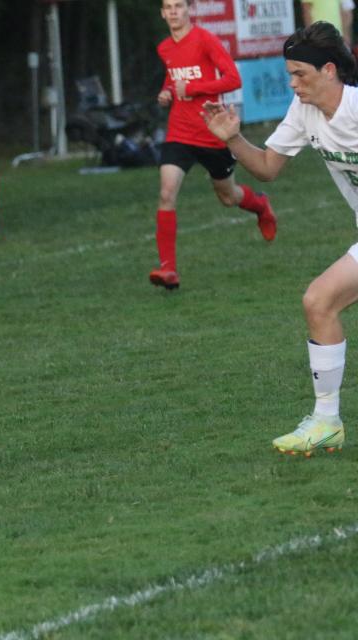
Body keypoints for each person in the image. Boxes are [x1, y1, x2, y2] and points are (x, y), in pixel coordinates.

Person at [203, 22, 355, 456]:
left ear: (329, 70)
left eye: (299, 74)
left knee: (319, 299)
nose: (292, 84)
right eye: (288, 74)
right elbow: (268, 167)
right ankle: (327, 422)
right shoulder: (304, 110)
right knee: (319, 302)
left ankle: (327, 420)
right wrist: (232, 137)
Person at [149, 0, 277, 290]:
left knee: (228, 197)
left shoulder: (205, 40)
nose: (173, 12)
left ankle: (261, 206)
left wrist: (192, 89)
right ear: (162, 12)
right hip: (179, 132)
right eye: (167, 7)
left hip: (212, 131)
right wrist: (167, 92)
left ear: (188, 9)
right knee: (167, 193)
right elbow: (174, 78)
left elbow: (233, 78)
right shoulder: (164, 48)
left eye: (178, 6)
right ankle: (168, 270)